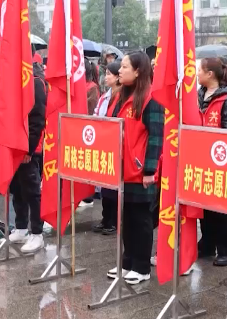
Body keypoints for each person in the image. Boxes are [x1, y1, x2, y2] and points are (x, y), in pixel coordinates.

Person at [105, 51, 163, 285]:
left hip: (140, 172)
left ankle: (141, 266)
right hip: (121, 169)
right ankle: (127, 262)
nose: (119, 70)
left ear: (138, 71)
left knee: (141, 220)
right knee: (126, 219)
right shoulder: (121, 96)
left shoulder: (151, 98)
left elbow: (157, 137)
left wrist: (149, 170)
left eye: (125, 67)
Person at [196, 57, 227, 267]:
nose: (197, 74)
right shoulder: (199, 95)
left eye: (200, 70)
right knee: (204, 207)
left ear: (210, 74)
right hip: (200, 159)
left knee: (222, 208)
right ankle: (207, 244)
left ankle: (226, 249)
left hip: (220, 161)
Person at [9, 48, 48, 254]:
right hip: (14, 144)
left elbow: (37, 120)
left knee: (32, 191)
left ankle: (37, 233)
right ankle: (21, 227)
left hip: (29, 148)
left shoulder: (35, 81)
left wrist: (29, 150)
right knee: (17, 188)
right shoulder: (15, 78)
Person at [93, 61, 122, 235]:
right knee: (105, 186)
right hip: (103, 143)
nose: (106, 77)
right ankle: (106, 218)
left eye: (110, 74)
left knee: (113, 188)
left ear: (118, 77)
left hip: (115, 145)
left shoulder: (123, 96)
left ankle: (113, 221)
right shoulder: (105, 95)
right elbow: (97, 114)